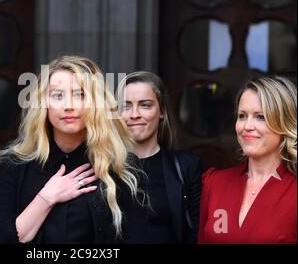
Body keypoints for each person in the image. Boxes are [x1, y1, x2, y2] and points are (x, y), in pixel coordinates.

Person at [0, 55, 149, 243]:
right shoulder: (14, 165)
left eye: (79, 95)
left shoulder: (122, 167)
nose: (68, 106)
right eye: (57, 96)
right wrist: (46, 198)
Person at [199, 76, 297, 243]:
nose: (247, 126)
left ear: (284, 124)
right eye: (242, 116)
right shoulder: (215, 182)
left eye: (260, 117)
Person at [116, 71, 203, 243]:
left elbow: (196, 232)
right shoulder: (103, 167)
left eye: (145, 105)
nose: (134, 114)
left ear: (161, 111)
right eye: (126, 106)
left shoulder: (187, 167)